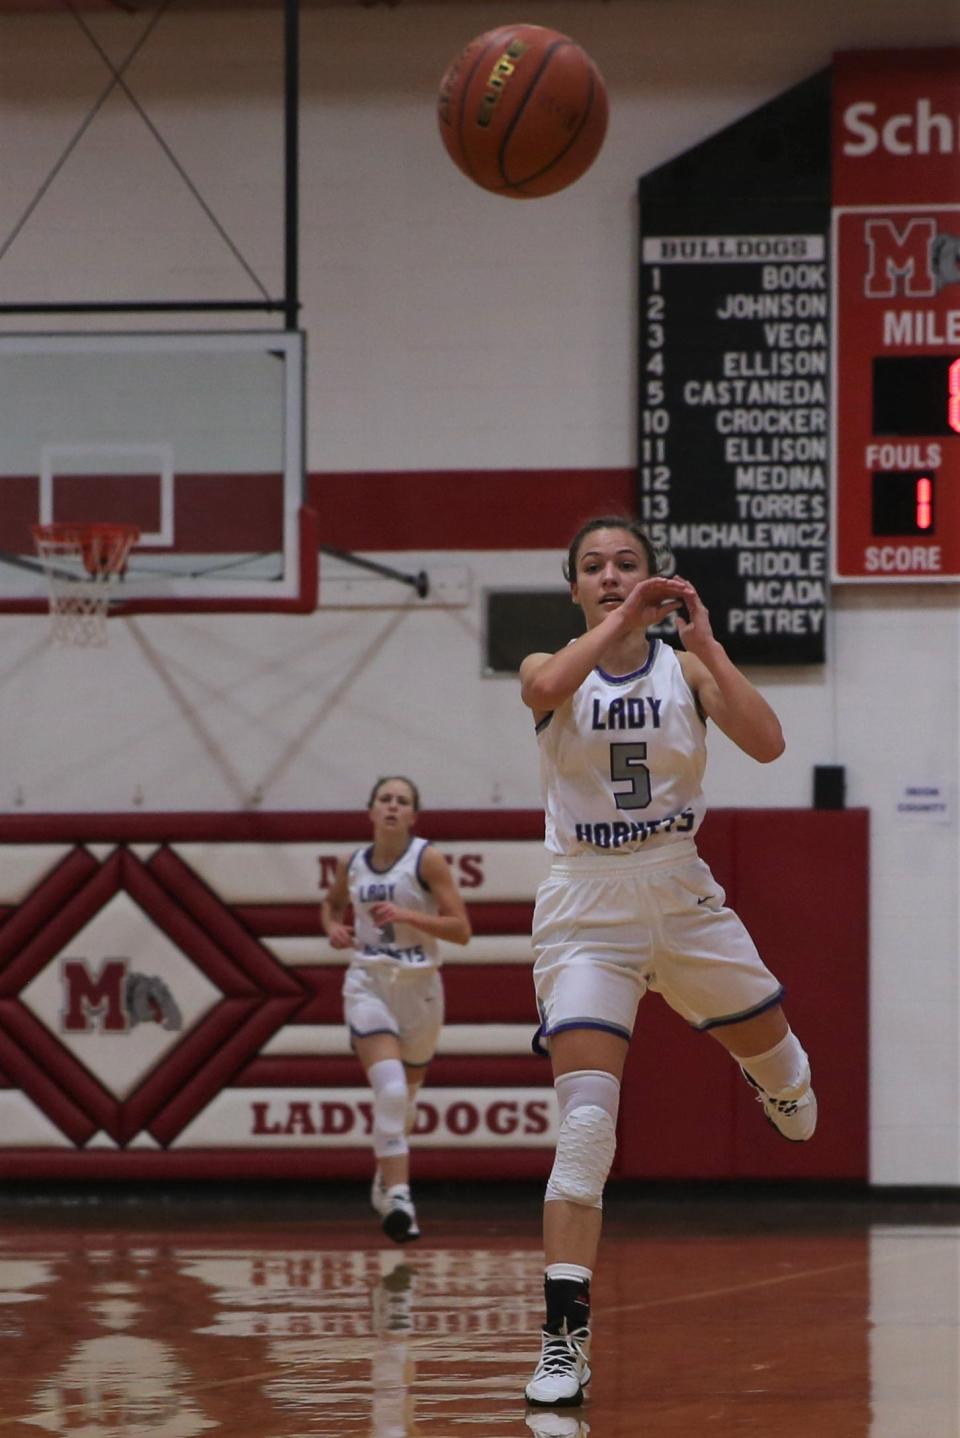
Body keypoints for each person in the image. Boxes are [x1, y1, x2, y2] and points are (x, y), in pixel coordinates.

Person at [519, 516, 817, 1408]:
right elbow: (555, 676)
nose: (613, 577)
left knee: (796, 1104)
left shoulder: (684, 670)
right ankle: (565, 1339)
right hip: (587, 907)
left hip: (681, 893)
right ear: (573, 587)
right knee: (585, 1127)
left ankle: (781, 1078)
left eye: (629, 566)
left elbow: (768, 743)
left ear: (658, 576)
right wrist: (622, 620)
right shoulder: (548, 673)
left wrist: (712, 650)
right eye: (595, 569)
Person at [322, 775, 471, 1243]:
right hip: (368, 982)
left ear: (412, 815)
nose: (392, 806)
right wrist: (333, 928)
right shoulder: (352, 862)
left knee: (404, 1100)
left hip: (420, 988)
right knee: (388, 1089)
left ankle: (386, 1173)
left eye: (401, 801)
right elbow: (330, 907)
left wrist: (410, 916)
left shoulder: (426, 859)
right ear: (370, 811)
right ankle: (401, 1197)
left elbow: (462, 929)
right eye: (384, 799)